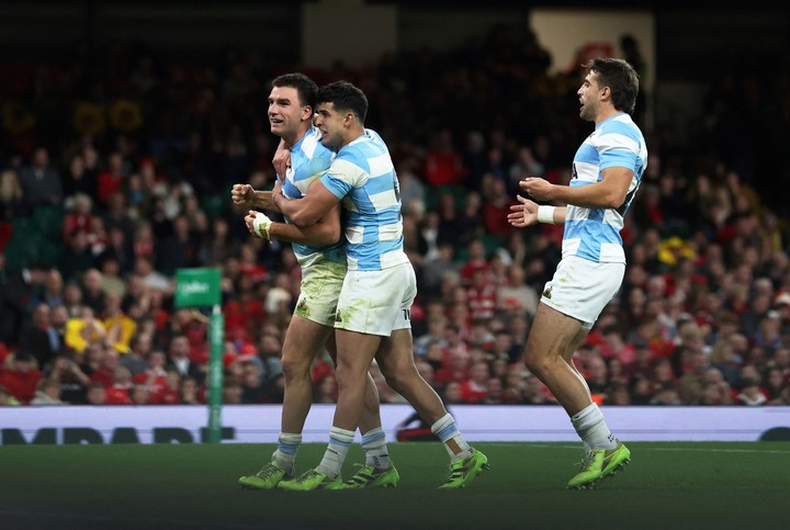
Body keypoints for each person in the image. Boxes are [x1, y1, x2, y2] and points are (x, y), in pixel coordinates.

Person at [267, 80, 487, 490]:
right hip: (398, 268)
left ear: (348, 118)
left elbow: (306, 213)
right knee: (401, 373)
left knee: (350, 374)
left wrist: (278, 201)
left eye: (325, 117)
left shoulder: (348, 163)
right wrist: (288, 157)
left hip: (371, 274)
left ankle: (327, 469)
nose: (318, 125)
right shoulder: (375, 141)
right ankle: (462, 452)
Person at [233, 73, 392, 490]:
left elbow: (326, 230)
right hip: (324, 268)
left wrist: (269, 228)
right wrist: (259, 197)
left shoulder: (317, 157)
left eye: (283, 102)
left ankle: (282, 462)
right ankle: (379, 459)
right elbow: (295, 202)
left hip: (330, 269)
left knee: (292, 362)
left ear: (307, 112)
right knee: (351, 373)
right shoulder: (297, 152)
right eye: (270, 101)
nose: (272, 108)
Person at [508, 57, 646, 489]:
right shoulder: (608, 134)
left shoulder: (619, 130)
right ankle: (601, 445)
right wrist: (544, 212)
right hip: (593, 254)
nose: (580, 90)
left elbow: (611, 193)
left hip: (591, 259)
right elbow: (597, 206)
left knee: (540, 357)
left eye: (587, 83)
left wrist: (553, 189)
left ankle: (604, 445)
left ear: (606, 91)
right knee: (557, 358)